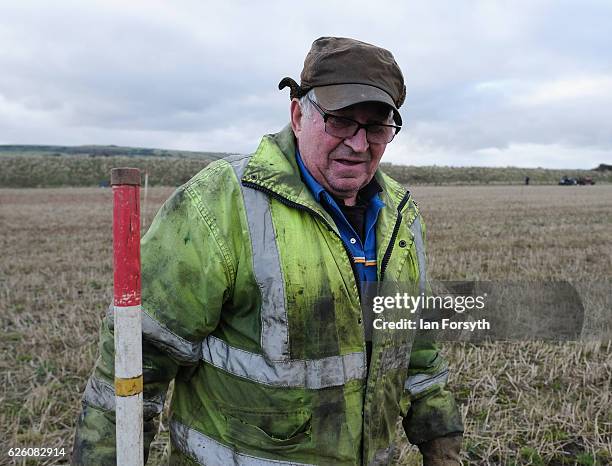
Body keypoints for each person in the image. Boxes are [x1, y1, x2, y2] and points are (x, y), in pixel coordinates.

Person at [72, 36, 464, 466]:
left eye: (376, 126)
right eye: (339, 121)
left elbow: (418, 350)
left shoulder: (401, 217)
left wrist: (441, 444)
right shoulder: (220, 203)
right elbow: (135, 361)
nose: (358, 143)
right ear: (298, 114)